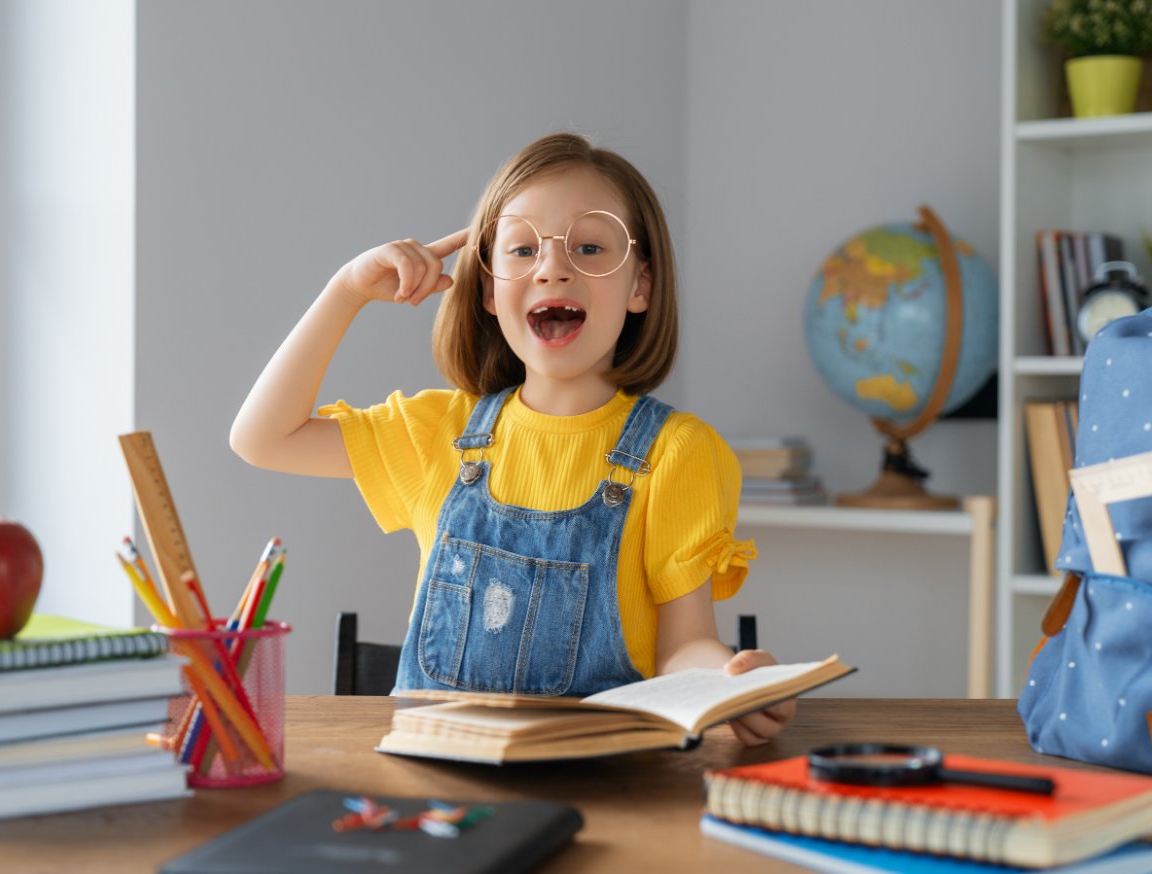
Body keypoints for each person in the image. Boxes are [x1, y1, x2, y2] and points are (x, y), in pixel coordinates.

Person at [230, 132, 793, 746]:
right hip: (437, 785)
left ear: (641, 287)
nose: (553, 266)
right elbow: (263, 438)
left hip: (606, 785)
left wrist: (731, 683)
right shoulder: (436, 433)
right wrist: (345, 292)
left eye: (589, 246)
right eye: (523, 249)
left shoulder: (679, 451)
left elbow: (682, 647)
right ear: (488, 290)